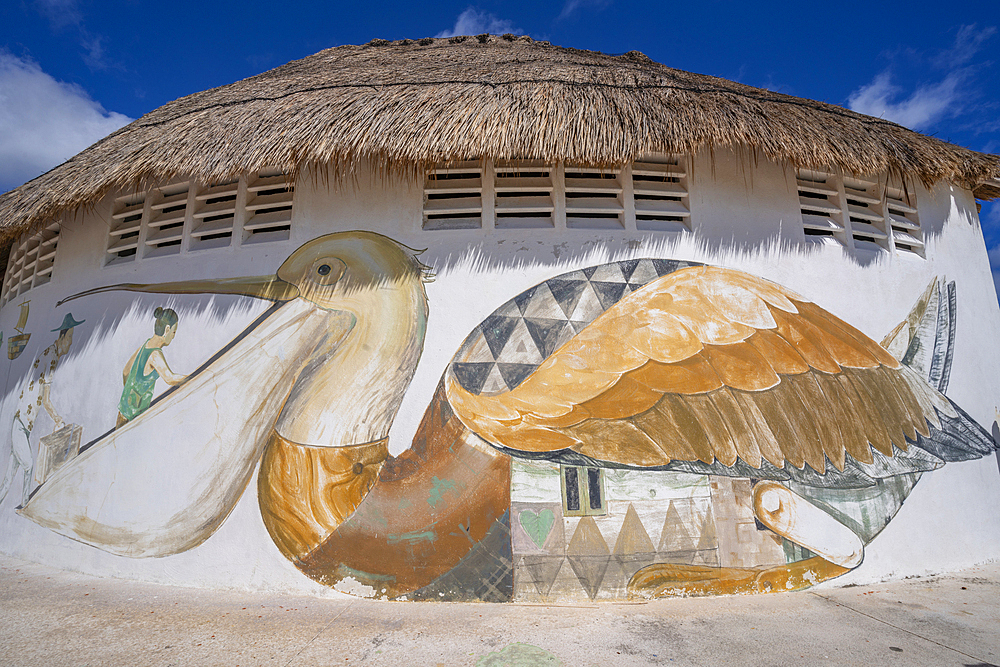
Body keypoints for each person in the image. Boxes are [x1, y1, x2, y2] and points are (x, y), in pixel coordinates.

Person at [0, 313, 83, 507]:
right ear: (61, 338)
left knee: (7, 480)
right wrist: (57, 418)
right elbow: (46, 400)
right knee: (28, 466)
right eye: (69, 337)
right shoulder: (52, 358)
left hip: (22, 424)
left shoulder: (49, 353)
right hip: (20, 425)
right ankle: (26, 505)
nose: (70, 343)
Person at [117, 307, 187, 427]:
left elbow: (125, 372)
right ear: (167, 329)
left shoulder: (145, 345)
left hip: (122, 414)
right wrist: (192, 377)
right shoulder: (155, 354)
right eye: (174, 332)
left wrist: (131, 391)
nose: (173, 336)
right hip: (132, 418)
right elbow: (170, 379)